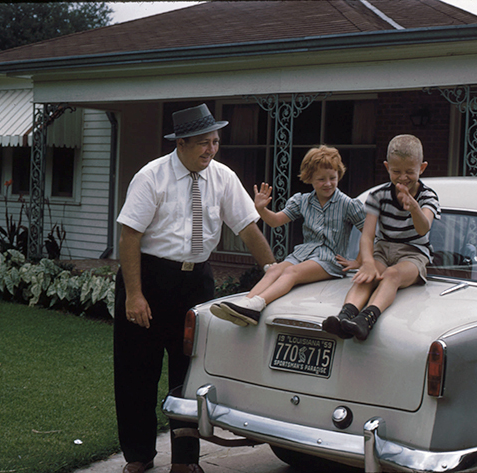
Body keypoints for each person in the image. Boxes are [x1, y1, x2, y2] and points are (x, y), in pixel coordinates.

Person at [114, 104, 275, 473]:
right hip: (148, 279)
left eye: (215, 142)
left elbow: (249, 228)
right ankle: (138, 457)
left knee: (190, 375)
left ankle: (185, 462)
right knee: (137, 372)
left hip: (195, 283)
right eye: (203, 143)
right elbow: (129, 236)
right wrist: (135, 295)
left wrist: (273, 270)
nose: (211, 150)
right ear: (181, 143)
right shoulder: (151, 176)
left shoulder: (222, 177)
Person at [210, 145, 365, 326]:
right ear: (310, 179)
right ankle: (244, 305)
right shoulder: (302, 201)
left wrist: (359, 261)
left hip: (329, 260)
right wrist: (261, 209)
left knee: (291, 272)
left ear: (339, 175)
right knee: (274, 269)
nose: (328, 183)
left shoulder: (348, 204)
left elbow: (368, 233)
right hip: (303, 255)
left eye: (333, 178)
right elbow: (275, 221)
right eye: (321, 179)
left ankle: (257, 304)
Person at [323, 134, 440, 341]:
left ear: (421, 168)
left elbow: (424, 228)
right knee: (367, 276)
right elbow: (368, 236)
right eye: (396, 171)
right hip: (383, 250)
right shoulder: (378, 196)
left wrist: (414, 208)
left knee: (391, 275)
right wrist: (367, 262)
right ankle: (345, 317)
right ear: (387, 167)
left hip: (413, 254)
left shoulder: (427, 196)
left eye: (409, 172)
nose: (403, 177)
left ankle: (366, 319)